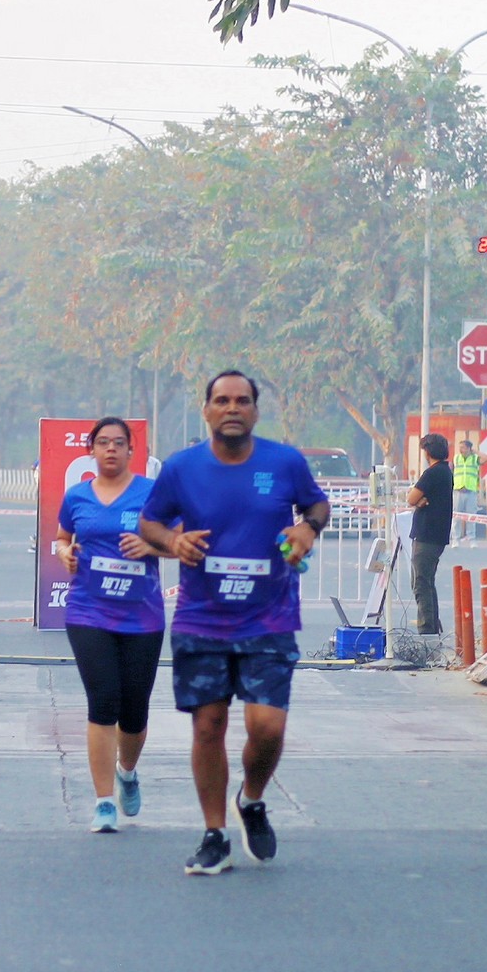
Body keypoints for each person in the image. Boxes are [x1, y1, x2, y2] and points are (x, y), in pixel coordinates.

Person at [136, 371, 329, 876]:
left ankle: (253, 799)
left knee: (267, 726)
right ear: (206, 410)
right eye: (221, 400)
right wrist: (172, 541)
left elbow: (317, 503)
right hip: (203, 618)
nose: (232, 408)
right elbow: (148, 522)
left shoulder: (284, 462)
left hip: (269, 616)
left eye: (242, 401)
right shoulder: (181, 468)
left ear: (255, 411)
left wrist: (307, 528)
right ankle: (214, 834)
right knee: (208, 726)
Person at [56, 416, 164, 833]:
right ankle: (103, 802)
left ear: (132, 450)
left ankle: (127, 772)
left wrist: (151, 545)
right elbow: (63, 537)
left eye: (119, 442)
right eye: (103, 442)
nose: (111, 449)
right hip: (89, 610)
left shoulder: (151, 494)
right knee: (103, 702)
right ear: (92, 450)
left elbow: (180, 541)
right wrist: (65, 553)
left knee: (134, 711)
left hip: (142, 614)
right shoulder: (77, 496)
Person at [404, 430, 454, 636]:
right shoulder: (445, 471)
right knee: (427, 582)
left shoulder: (432, 473)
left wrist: (418, 501)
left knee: (420, 583)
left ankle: (426, 630)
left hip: (427, 535)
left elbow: (411, 498)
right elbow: (418, 499)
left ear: (428, 452)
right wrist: (420, 501)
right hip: (436, 534)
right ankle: (432, 627)